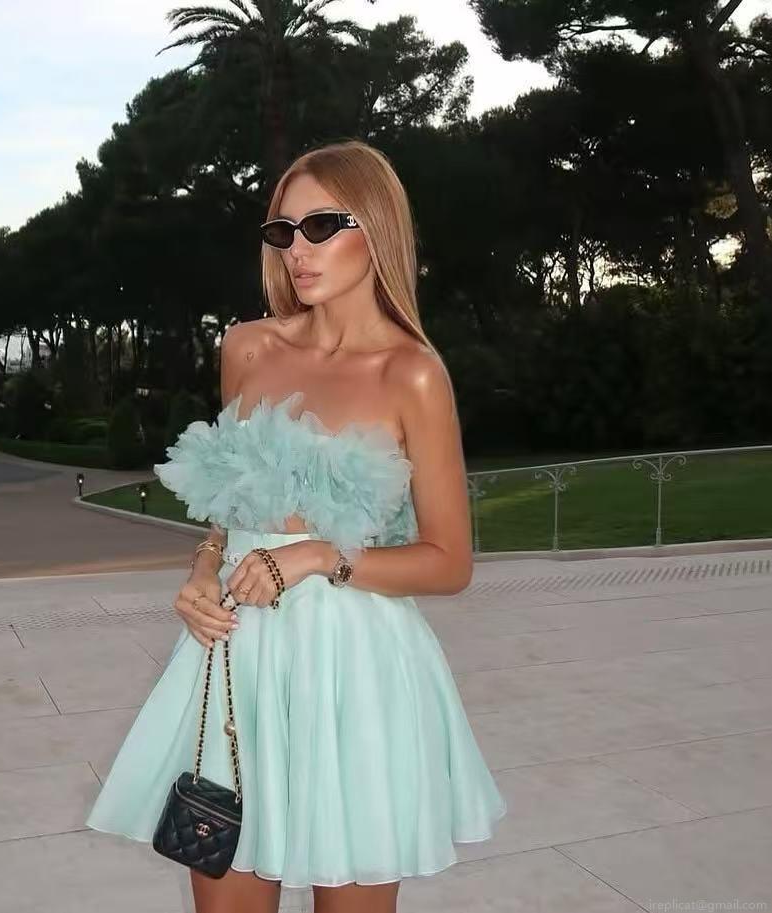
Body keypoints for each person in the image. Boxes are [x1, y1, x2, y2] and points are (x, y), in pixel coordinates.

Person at [85, 139, 507, 913]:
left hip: (354, 671)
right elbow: (232, 504)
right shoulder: (247, 347)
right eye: (283, 231)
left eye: (320, 226)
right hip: (239, 658)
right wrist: (203, 567)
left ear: (375, 227)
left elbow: (449, 561)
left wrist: (316, 556)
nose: (297, 250)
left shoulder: (411, 373)